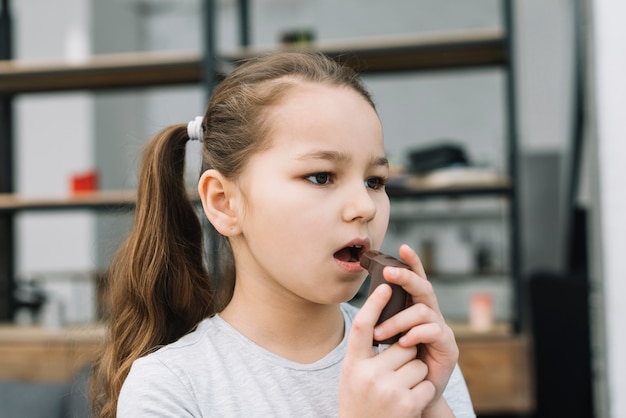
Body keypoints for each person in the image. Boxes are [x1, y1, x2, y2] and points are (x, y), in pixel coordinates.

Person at [91, 51, 475, 418]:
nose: (365, 206)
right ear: (224, 202)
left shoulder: (410, 358)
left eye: (374, 180)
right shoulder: (171, 386)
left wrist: (433, 405)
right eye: (321, 176)